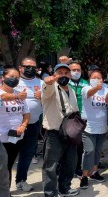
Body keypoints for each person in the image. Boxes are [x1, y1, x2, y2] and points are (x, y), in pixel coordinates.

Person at [42, 63, 80, 197]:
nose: (63, 75)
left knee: (70, 162)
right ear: (54, 74)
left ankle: (65, 188)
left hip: (70, 132)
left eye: (66, 73)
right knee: (50, 166)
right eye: (60, 72)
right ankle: (50, 193)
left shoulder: (71, 89)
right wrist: (49, 82)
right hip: (55, 133)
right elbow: (47, 89)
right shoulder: (51, 87)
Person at [15, 57, 43, 192]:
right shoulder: (13, 82)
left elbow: (50, 102)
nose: (30, 69)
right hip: (14, 125)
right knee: (8, 156)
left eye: (33, 67)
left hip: (33, 124)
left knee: (27, 154)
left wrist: (42, 97)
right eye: (27, 66)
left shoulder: (41, 83)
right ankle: (4, 184)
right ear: (20, 68)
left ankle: (21, 180)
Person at [0, 67, 30, 186]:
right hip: (1, 137)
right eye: (11, 77)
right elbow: (2, 97)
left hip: (15, 136)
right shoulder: (14, 95)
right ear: (3, 78)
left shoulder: (19, 94)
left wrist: (23, 125)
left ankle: (6, 191)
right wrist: (18, 97)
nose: (14, 79)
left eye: (17, 77)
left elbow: (26, 113)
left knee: (9, 164)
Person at [68, 61, 89, 177]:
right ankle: (63, 167)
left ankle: (77, 168)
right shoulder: (66, 83)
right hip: (69, 118)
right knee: (67, 144)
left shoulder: (85, 83)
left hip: (82, 119)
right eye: (73, 70)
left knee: (80, 145)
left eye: (78, 70)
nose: (76, 72)